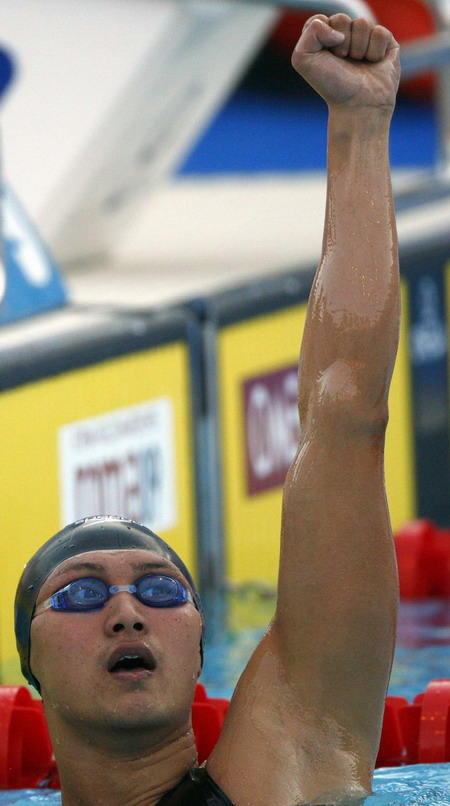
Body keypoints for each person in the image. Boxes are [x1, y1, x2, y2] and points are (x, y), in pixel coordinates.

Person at [14, 13, 401, 806]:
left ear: (199, 647)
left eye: (159, 591)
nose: (126, 612)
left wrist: (359, 122)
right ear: (28, 666)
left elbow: (346, 409)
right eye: (82, 595)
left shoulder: (286, 773)